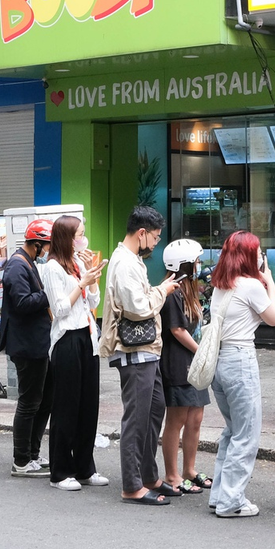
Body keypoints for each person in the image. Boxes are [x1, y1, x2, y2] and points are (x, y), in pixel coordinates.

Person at [203, 231, 275, 518]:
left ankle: (220, 494)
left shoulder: (221, 285)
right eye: (258, 251)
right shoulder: (251, 285)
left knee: (232, 430)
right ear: (249, 255)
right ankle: (230, 501)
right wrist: (270, 282)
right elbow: (273, 317)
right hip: (240, 360)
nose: (261, 255)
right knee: (246, 434)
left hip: (219, 362)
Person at [98, 206, 173, 505]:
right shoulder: (125, 263)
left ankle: (148, 475)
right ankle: (132, 485)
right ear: (141, 233)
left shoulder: (131, 260)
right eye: (154, 237)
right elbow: (138, 307)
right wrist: (163, 290)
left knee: (154, 410)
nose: (156, 243)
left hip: (146, 350)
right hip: (133, 351)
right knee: (137, 418)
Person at [41, 215, 107, 490]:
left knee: (88, 405)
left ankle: (84, 467)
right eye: (79, 233)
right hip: (66, 338)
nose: (83, 237)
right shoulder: (52, 268)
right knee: (66, 406)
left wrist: (91, 276)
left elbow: (94, 301)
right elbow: (59, 309)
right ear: (66, 238)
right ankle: (60, 471)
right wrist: (81, 284)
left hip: (88, 337)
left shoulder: (79, 262)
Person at [1, 218, 55, 478]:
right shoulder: (16, 266)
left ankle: (33, 454)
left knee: (42, 401)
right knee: (29, 403)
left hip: (37, 344)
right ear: (37, 244)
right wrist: (51, 293)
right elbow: (22, 303)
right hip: (27, 346)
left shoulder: (28, 263)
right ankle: (21, 460)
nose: (48, 249)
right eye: (46, 245)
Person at [159, 239, 209, 497]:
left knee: (196, 419)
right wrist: (202, 352)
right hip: (178, 364)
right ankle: (172, 474)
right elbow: (177, 330)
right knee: (177, 419)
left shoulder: (191, 290)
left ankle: (189, 470)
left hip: (194, 364)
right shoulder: (172, 292)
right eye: (196, 261)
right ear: (184, 265)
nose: (199, 265)